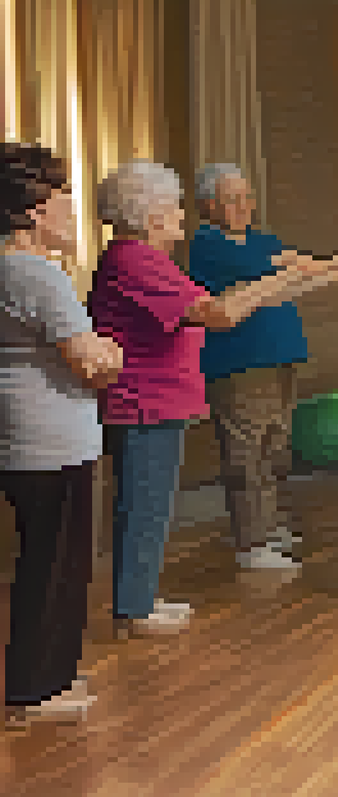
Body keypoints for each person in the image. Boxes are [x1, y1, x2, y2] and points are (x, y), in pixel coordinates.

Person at [89, 160, 328, 639]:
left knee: (152, 505)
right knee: (144, 504)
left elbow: (220, 306)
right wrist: (282, 279)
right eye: (175, 206)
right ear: (151, 214)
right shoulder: (135, 260)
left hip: (160, 401)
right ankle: (134, 608)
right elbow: (218, 313)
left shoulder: (148, 260)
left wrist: (287, 279)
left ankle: (140, 600)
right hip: (144, 402)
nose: (182, 214)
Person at [1, 142, 121, 728]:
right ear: (30, 211)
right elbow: (88, 361)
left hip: (20, 435)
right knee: (56, 566)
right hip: (53, 439)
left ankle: (38, 681)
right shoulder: (40, 276)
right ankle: (38, 688)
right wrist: (112, 354)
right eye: (61, 200)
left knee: (40, 561)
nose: (72, 212)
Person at [188, 163, 338, 570]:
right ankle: (251, 541)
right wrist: (310, 267)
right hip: (241, 362)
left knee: (274, 446)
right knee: (246, 450)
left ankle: (269, 525)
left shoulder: (263, 240)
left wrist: (336, 266)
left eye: (247, 197)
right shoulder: (207, 244)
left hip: (280, 358)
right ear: (209, 205)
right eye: (232, 199)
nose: (244, 206)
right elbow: (278, 274)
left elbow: (297, 273)